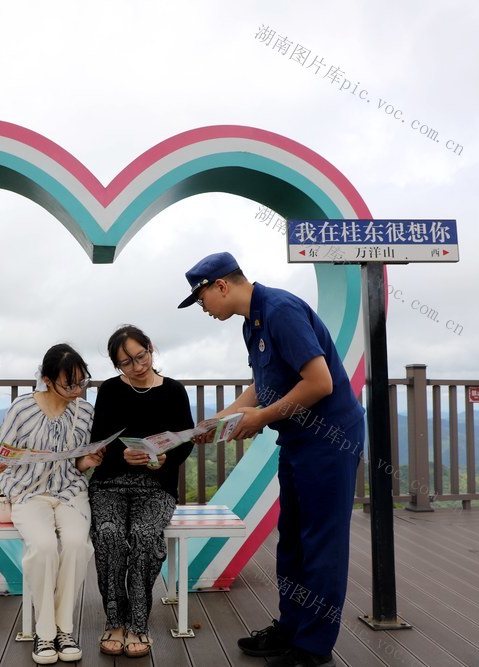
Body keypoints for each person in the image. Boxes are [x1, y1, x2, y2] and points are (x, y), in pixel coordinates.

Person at [178, 252, 364, 667]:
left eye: (202, 299)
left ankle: (313, 648)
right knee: (293, 538)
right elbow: (265, 385)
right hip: (298, 439)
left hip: (329, 440)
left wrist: (259, 419)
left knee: (321, 542)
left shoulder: (280, 310)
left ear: (221, 286)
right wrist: (217, 421)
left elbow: (320, 382)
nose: (203, 309)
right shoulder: (252, 323)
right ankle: (291, 626)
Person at [0, 343, 104, 665]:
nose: (78, 389)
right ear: (48, 380)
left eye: (83, 381)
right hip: (27, 492)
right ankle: (45, 631)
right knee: (43, 546)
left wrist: (88, 461)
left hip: (70, 491)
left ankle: (64, 629)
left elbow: (78, 464)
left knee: (78, 544)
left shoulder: (85, 412)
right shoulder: (22, 409)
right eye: (70, 383)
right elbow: (4, 455)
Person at [88, 325, 195, 658]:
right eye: (126, 362)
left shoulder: (174, 391)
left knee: (146, 536)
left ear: (150, 348)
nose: (137, 366)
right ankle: (114, 621)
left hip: (155, 485)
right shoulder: (109, 391)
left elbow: (185, 441)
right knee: (108, 535)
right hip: (109, 484)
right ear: (116, 365)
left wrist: (164, 457)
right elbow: (100, 439)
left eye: (141, 356)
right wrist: (121, 454)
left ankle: (137, 625)